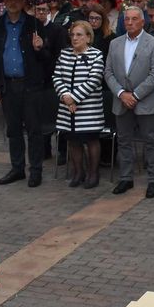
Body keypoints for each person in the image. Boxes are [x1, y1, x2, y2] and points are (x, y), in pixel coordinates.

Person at [0, 0, 55, 187]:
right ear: (4, 1)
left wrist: (40, 48)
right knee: (13, 129)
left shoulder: (34, 24)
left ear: (24, 1)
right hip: (8, 84)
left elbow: (48, 59)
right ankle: (17, 168)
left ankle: (36, 170)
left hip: (30, 85)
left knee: (34, 130)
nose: (13, 2)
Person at [105, 6, 154, 198]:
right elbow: (108, 72)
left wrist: (136, 95)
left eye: (134, 19)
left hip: (145, 100)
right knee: (124, 140)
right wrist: (122, 93)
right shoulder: (115, 43)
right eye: (127, 19)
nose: (129, 23)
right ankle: (126, 177)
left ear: (142, 21)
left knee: (151, 141)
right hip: (121, 100)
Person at [53, 20, 106, 189]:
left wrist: (74, 98)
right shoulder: (64, 54)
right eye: (72, 35)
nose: (74, 38)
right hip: (67, 107)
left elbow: (94, 79)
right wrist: (65, 96)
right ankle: (78, 172)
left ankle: (93, 173)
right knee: (73, 140)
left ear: (88, 38)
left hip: (88, 108)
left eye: (79, 35)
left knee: (91, 140)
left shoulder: (96, 55)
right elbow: (57, 77)